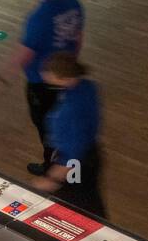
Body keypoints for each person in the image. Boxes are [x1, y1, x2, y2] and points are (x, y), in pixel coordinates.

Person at [0, 0, 84, 176]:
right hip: (65, 76)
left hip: (41, 83)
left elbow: (26, 54)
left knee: (47, 126)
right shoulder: (73, 3)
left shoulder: (39, 18)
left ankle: (52, 167)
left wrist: (3, 74)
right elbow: (79, 37)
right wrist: (71, 64)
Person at [32, 51, 106, 219]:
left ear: (63, 78)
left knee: (74, 204)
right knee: (90, 196)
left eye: (48, 73)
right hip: (92, 153)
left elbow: (71, 156)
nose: (44, 75)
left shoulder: (66, 113)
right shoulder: (88, 86)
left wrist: (51, 180)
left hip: (76, 163)